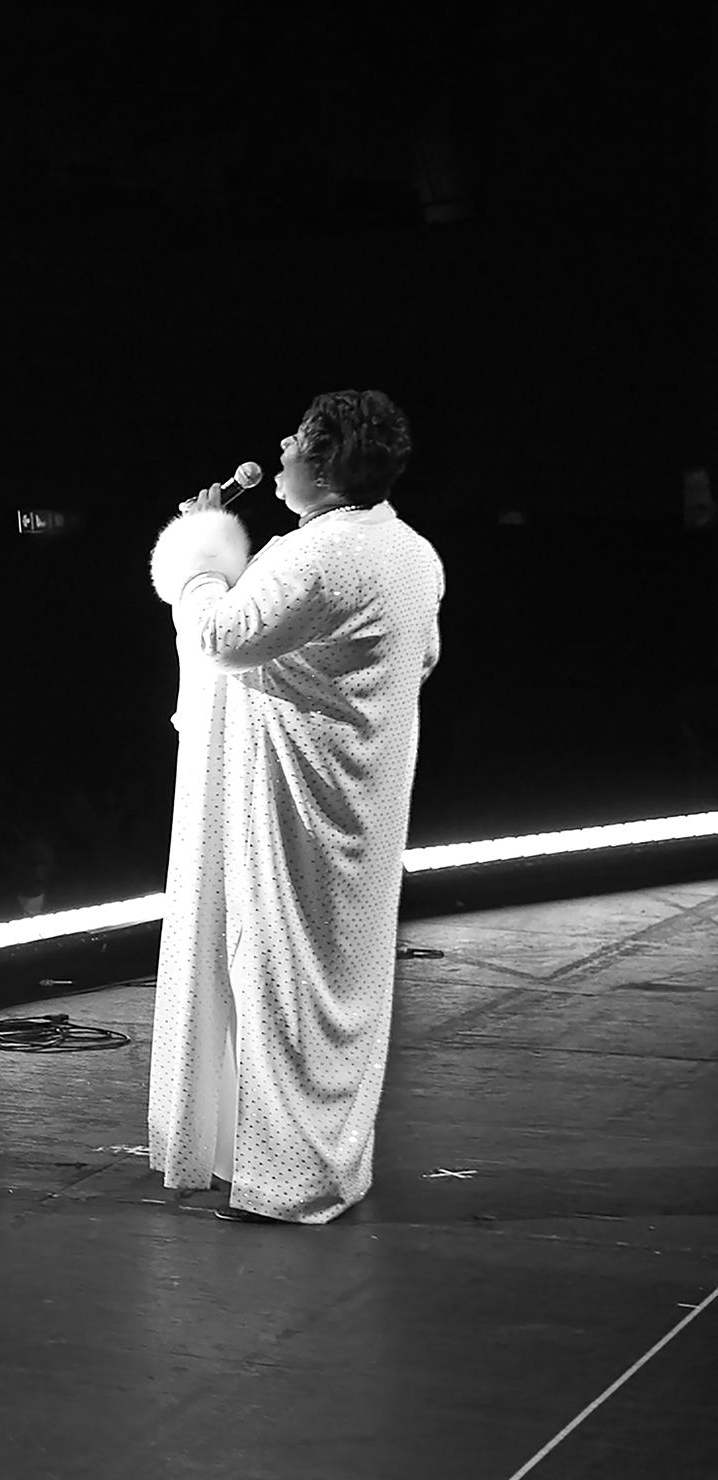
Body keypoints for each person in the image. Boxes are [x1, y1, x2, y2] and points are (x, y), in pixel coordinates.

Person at [149, 389, 445, 1223]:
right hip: (367, 793)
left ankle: (288, 1181)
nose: (277, 446)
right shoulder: (413, 551)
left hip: (299, 799)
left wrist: (201, 555)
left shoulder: (312, 556)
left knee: (280, 974)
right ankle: (329, 1165)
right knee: (341, 981)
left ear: (321, 466)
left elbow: (220, 635)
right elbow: (419, 656)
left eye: (295, 440)